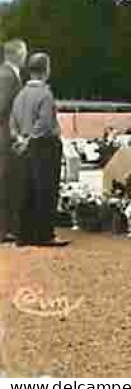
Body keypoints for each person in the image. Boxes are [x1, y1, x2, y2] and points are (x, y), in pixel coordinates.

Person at [10, 51, 68, 248]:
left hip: (24, 147)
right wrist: (30, 139)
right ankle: (44, 234)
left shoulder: (20, 95)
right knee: (46, 189)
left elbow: (12, 121)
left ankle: (24, 234)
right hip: (44, 145)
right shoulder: (45, 94)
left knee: (27, 189)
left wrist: (20, 138)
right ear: (46, 70)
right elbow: (44, 123)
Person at [0, 39, 27, 242]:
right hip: (5, 139)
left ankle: (7, 227)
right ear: (18, 54)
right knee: (5, 182)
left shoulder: (8, 75)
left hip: (7, 138)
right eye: (24, 52)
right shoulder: (7, 76)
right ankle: (4, 229)